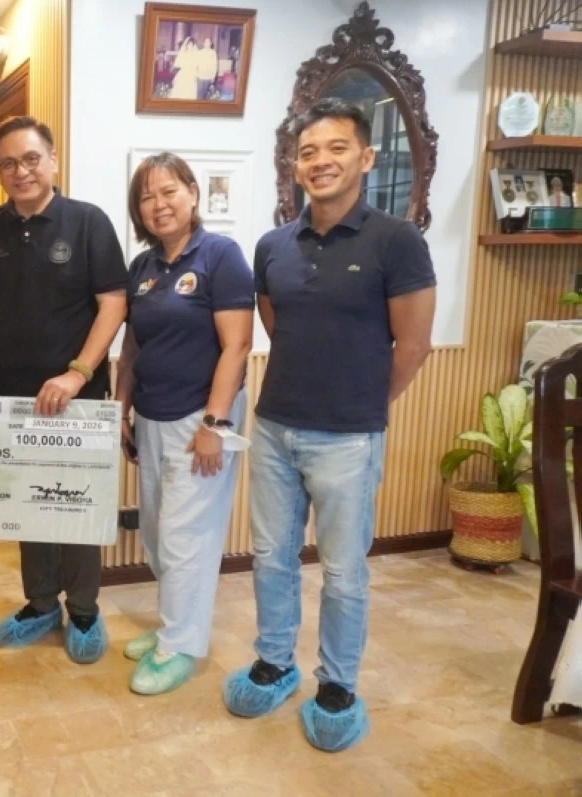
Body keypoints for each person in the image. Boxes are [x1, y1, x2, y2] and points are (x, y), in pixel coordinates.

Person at [222, 98, 435, 752]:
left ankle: (338, 681)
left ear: (366, 158)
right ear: (295, 165)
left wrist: (365, 405)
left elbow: (414, 344)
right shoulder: (272, 244)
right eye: (308, 152)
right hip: (277, 425)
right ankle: (275, 660)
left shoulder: (397, 241)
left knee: (343, 570)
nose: (320, 161)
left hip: (349, 435)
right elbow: (275, 321)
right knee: (270, 556)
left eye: (336, 148)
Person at [0, 116, 127, 664]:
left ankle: (83, 609)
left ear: (53, 160)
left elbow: (114, 302)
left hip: (76, 394)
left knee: (76, 503)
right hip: (12, 395)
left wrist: (77, 372)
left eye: (31, 159)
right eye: (8, 164)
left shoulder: (88, 223)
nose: (21, 172)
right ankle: (40, 605)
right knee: (28, 504)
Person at [115, 153, 253, 695]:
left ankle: (180, 647)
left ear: (193, 193)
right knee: (155, 533)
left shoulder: (221, 256)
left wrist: (214, 424)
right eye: (147, 197)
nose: (159, 204)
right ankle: (176, 626)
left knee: (184, 537)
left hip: (201, 417)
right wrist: (123, 408)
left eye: (169, 191)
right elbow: (132, 345)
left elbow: (237, 345)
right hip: (151, 414)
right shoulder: (143, 268)